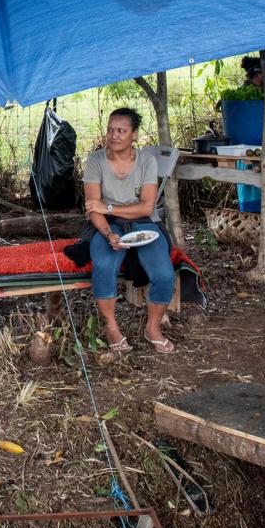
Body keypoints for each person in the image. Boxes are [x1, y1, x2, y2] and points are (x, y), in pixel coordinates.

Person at [81, 107, 176, 354]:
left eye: (121, 131)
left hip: (145, 225)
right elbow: (93, 208)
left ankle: (153, 328)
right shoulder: (95, 161)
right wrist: (109, 233)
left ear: (134, 134)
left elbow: (146, 208)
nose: (113, 135)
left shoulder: (147, 160)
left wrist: (109, 206)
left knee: (164, 273)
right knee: (104, 265)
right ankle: (111, 326)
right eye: (111, 129)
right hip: (106, 225)